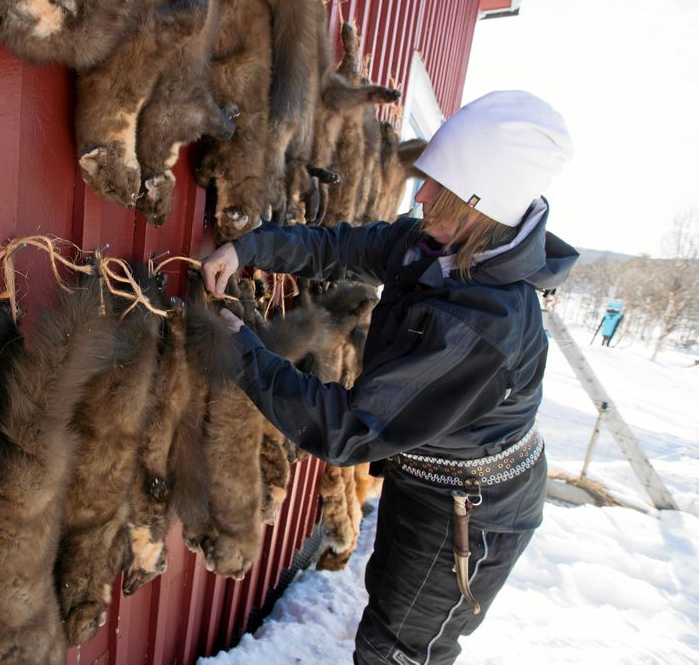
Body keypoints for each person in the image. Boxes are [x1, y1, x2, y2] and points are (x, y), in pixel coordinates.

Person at [202, 90, 577, 665]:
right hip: (428, 471)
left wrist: (244, 351)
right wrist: (252, 246)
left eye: (441, 192)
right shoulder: (442, 242)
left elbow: (350, 429)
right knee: (389, 604)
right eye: (427, 180)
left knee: (400, 647)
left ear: (483, 207)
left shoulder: (480, 327)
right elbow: (350, 245)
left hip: (468, 514)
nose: (421, 196)